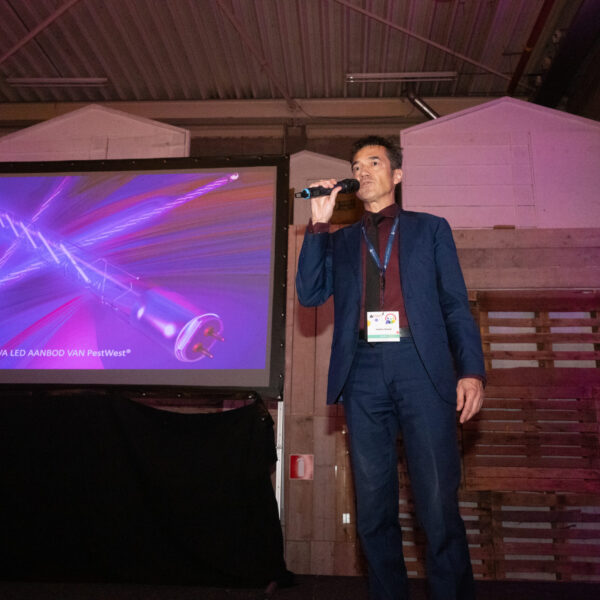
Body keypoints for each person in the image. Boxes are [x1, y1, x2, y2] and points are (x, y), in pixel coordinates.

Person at [295, 135, 485, 600]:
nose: (362, 171)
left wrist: (472, 371)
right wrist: (318, 223)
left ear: (397, 175)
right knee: (373, 508)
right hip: (362, 369)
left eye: (373, 162)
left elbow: (455, 304)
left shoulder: (430, 228)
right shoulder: (340, 240)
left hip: (421, 365)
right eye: (356, 166)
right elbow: (310, 293)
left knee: (436, 503)